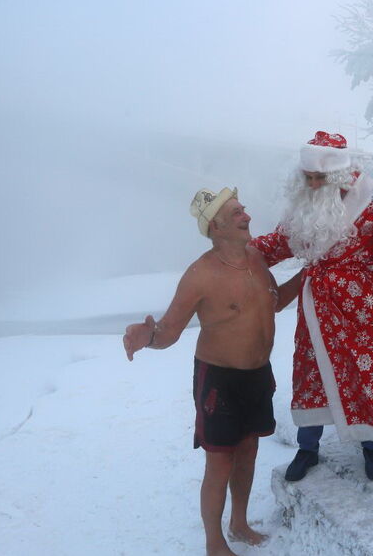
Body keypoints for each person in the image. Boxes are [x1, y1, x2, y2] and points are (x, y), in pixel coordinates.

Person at [123, 187, 300, 556]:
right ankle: (214, 543)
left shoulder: (256, 259)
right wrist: (147, 338)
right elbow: (169, 332)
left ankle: (239, 523)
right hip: (218, 380)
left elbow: (275, 303)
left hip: (257, 374)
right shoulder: (200, 274)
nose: (247, 216)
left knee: (249, 451)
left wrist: (307, 277)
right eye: (236, 213)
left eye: (244, 209)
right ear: (216, 225)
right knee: (220, 462)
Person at [250, 131, 373, 483]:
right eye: (308, 177)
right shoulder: (306, 204)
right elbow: (281, 242)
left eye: (319, 178)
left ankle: (372, 446)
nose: (312, 183)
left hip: (363, 307)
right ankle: (308, 447)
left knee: (366, 372)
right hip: (318, 305)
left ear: (340, 175)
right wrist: (242, 253)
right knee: (310, 372)